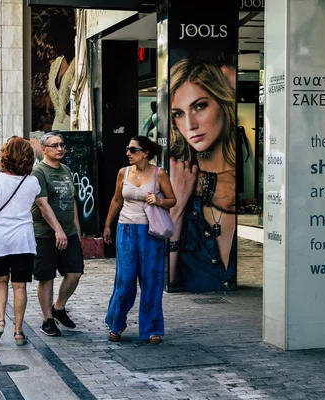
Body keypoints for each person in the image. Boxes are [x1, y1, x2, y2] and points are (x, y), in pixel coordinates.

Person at [168, 58, 238, 292]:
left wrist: (203, 184)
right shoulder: (176, 182)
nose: (190, 124)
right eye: (178, 113)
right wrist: (176, 207)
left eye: (199, 106)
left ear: (223, 102)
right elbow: (167, 279)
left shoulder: (235, 185)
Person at [103, 136, 176, 344]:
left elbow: (173, 200)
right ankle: (115, 324)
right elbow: (117, 200)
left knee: (151, 280)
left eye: (133, 149)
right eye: (128, 149)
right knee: (125, 280)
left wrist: (159, 201)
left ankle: (152, 329)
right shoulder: (123, 173)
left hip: (151, 233)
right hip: (125, 229)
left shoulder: (158, 174)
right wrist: (108, 225)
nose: (128, 153)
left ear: (145, 153)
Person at [0, 137, 41, 346]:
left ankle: (0, 320)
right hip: (23, 238)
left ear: (5, 156)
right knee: (19, 286)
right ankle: (19, 331)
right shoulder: (33, 182)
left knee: (1, 281)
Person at [31, 132, 83, 337]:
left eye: (62, 145)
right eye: (54, 146)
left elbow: (71, 202)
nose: (60, 149)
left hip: (68, 233)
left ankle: (58, 308)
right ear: (44, 149)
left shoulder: (66, 170)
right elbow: (42, 205)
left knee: (75, 273)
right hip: (45, 234)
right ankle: (47, 319)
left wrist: (76, 230)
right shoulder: (38, 173)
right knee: (46, 277)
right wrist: (57, 230)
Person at [41, 14, 76, 130]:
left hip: (76, 127)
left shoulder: (80, 62)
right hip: (58, 126)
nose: (49, 46)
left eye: (52, 41)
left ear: (64, 36)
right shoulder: (56, 64)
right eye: (47, 42)